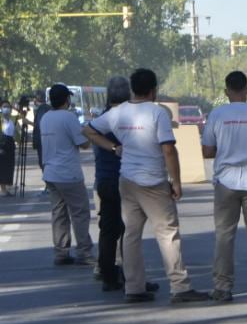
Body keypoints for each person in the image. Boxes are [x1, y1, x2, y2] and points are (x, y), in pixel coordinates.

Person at [84, 68, 209, 303]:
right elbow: (168, 149)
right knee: (168, 233)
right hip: (153, 181)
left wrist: (113, 148)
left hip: (127, 180)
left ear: (133, 89)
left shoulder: (118, 113)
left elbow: (89, 130)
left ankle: (133, 287)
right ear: (154, 90)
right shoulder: (157, 113)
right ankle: (180, 286)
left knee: (131, 234)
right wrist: (177, 182)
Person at [204, 70, 247, 302]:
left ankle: (223, 286)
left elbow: (207, 150)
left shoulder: (217, 114)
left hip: (226, 181)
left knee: (224, 235)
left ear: (226, 91)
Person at [93, 76, 149, 292]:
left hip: (104, 180)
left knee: (108, 230)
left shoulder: (102, 118)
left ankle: (108, 276)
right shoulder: (129, 119)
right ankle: (132, 278)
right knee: (129, 231)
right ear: (129, 94)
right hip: (126, 180)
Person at [40, 84, 94, 266]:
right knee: (79, 212)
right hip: (68, 173)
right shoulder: (68, 117)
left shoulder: (45, 118)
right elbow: (83, 143)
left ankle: (61, 252)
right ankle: (84, 252)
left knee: (59, 214)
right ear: (66, 99)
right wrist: (89, 131)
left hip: (50, 173)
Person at [0, 98, 14, 195]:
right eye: (4, 107)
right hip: (1, 144)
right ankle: (3, 189)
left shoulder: (13, 119)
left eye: (8, 107)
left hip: (10, 144)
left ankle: (7, 187)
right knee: (2, 167)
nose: (6, 109)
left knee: (9, 167)